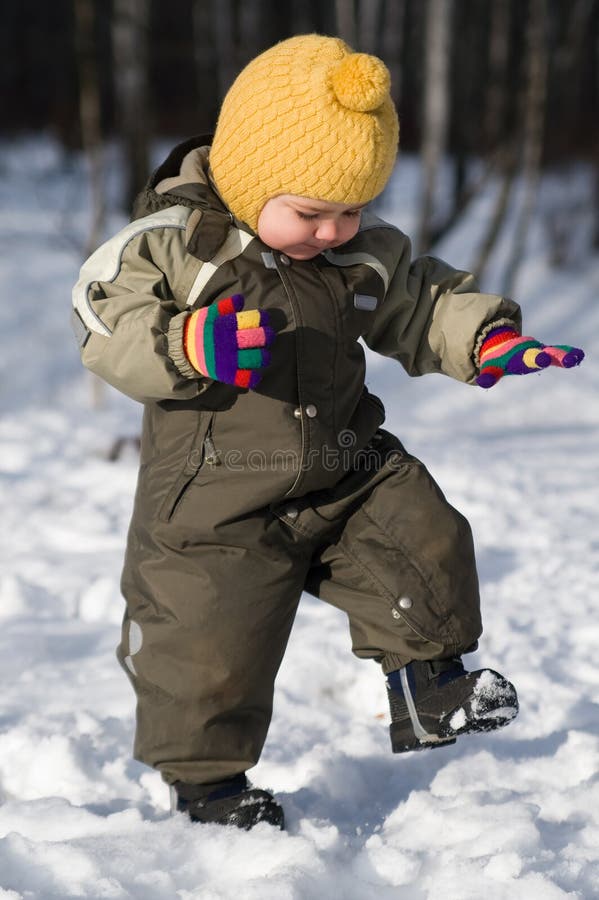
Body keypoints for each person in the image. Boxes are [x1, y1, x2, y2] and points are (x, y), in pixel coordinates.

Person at [71, 34, 584, 831]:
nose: (334, 230)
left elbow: (417, 302)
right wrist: (183, 343)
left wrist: (482, 337)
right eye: (311, 212)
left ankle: (430, 683)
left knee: (421, 531)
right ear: (249, 176)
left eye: (350, 210)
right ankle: (209, 788)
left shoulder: (356, 256)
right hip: (213, 495)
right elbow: (106, 321)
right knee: (206, 644)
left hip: (341, 464)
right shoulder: (173, 245)